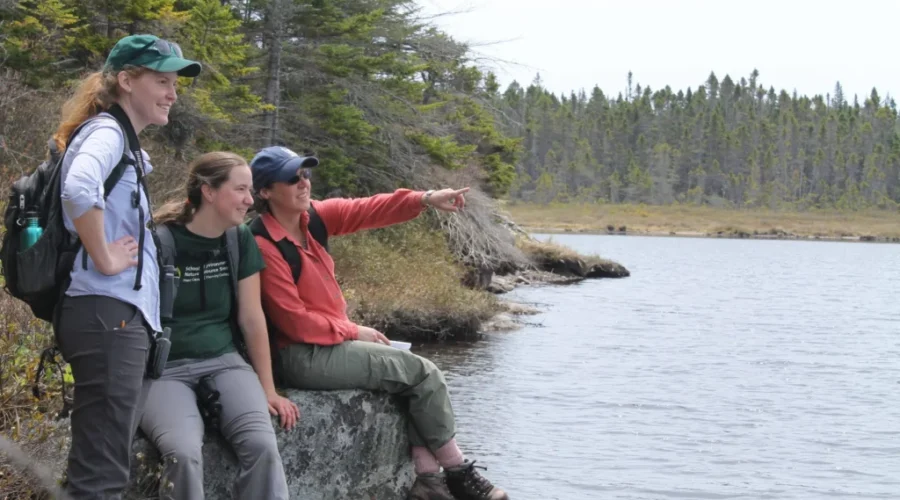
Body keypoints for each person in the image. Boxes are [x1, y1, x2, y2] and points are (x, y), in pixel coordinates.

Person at [248, 146, 510, 500]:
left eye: (306, 175)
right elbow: (294, 323)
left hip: (329, 343)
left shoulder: (315, 218)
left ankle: (428, 480)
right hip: (301, 355)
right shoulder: (263, 244)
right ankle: (458, 473)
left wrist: (428, 198)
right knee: (423, 373)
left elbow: (370, 208)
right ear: (265, 191)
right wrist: (355, 330)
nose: (303, 183)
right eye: (292, 178)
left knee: (404, 379)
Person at [54, 34, 202, 499]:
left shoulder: (118, 138)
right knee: (101, 473)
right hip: (107, 315)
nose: (172, 93)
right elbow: (78, 188)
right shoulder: (108, 133)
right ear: (125, 80)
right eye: (161, 80)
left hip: (111, 317)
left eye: (174, 83)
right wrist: (105, 255)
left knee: (104, 460)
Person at [140, 152, 299, 500]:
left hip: (224, 360)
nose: (249, 199)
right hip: (164, 370)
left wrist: (268, 390)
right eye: (240, 189)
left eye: (251, 190)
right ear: (209, 192)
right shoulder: (158, 241)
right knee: (183, 453)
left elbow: (251, 317)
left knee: (262, 446)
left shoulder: (238, 238)